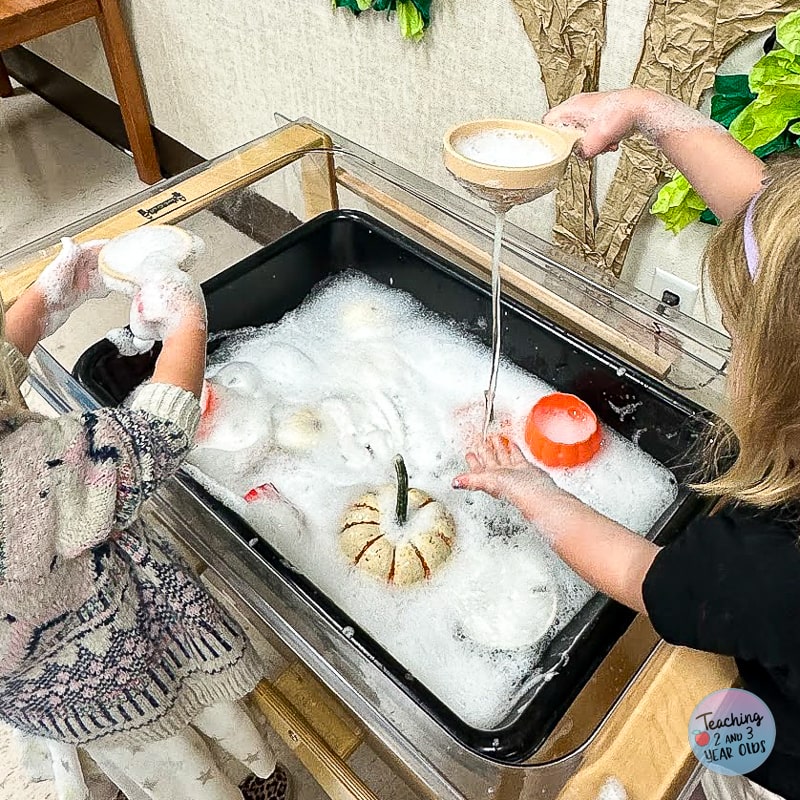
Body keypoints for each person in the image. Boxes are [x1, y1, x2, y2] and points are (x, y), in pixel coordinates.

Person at [454, 88, 797, 800]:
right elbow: (771, 228)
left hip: (784, 761)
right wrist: (647, 110)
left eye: (736, 335)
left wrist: (531, 490)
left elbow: (642, 573)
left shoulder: (765, 567)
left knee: (721, 744)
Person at [0, 232, 291, 800]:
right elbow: (152, 437)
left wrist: (49, 298)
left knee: (179, 727)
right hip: (112, 674)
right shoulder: (26, 478)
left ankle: (246, 769)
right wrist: (186, 323)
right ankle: (234, 783)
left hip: (35, 680)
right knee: (174, 758)